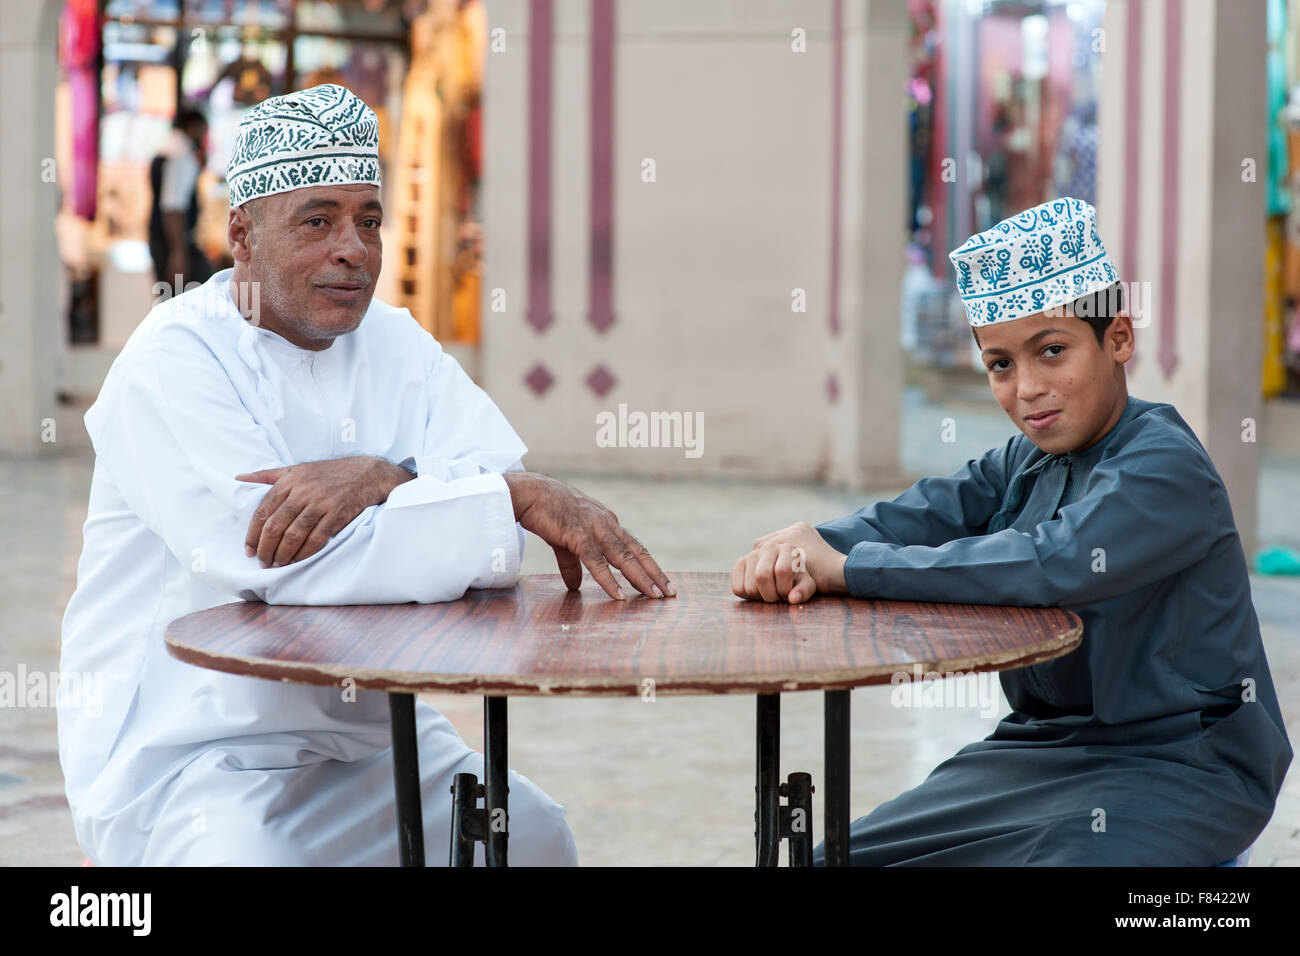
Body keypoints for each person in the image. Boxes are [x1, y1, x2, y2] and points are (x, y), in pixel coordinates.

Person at [59, 84, 674, 867]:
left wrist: (386, 476)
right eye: (318, 221)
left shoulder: (395, 342)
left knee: (535, 837)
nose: (354, 249)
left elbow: (498, 518)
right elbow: (286, 562)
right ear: (241, 234)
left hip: (372, 737)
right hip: (198, 752)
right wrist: (478, 496)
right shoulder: (172, 363)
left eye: (369, 220)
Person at [731, 197, 1292, 865]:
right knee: (835, 860)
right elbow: (930, 511)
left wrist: (846, 569)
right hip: (1038, 752)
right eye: (1001, 365)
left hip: (1185, 767)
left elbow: (1047, 563)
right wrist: (804, 545)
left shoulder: (1164, 466)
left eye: (1051, 352)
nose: (1027, 388)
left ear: (1119, 338)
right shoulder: (1028, 459)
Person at [148, 106, 213, 290]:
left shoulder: (168, 149)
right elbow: (173, 207)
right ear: (192, 127)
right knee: (191, 296)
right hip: (173, 241)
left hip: (164, 239)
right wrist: (178, 253)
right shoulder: (181, 154)